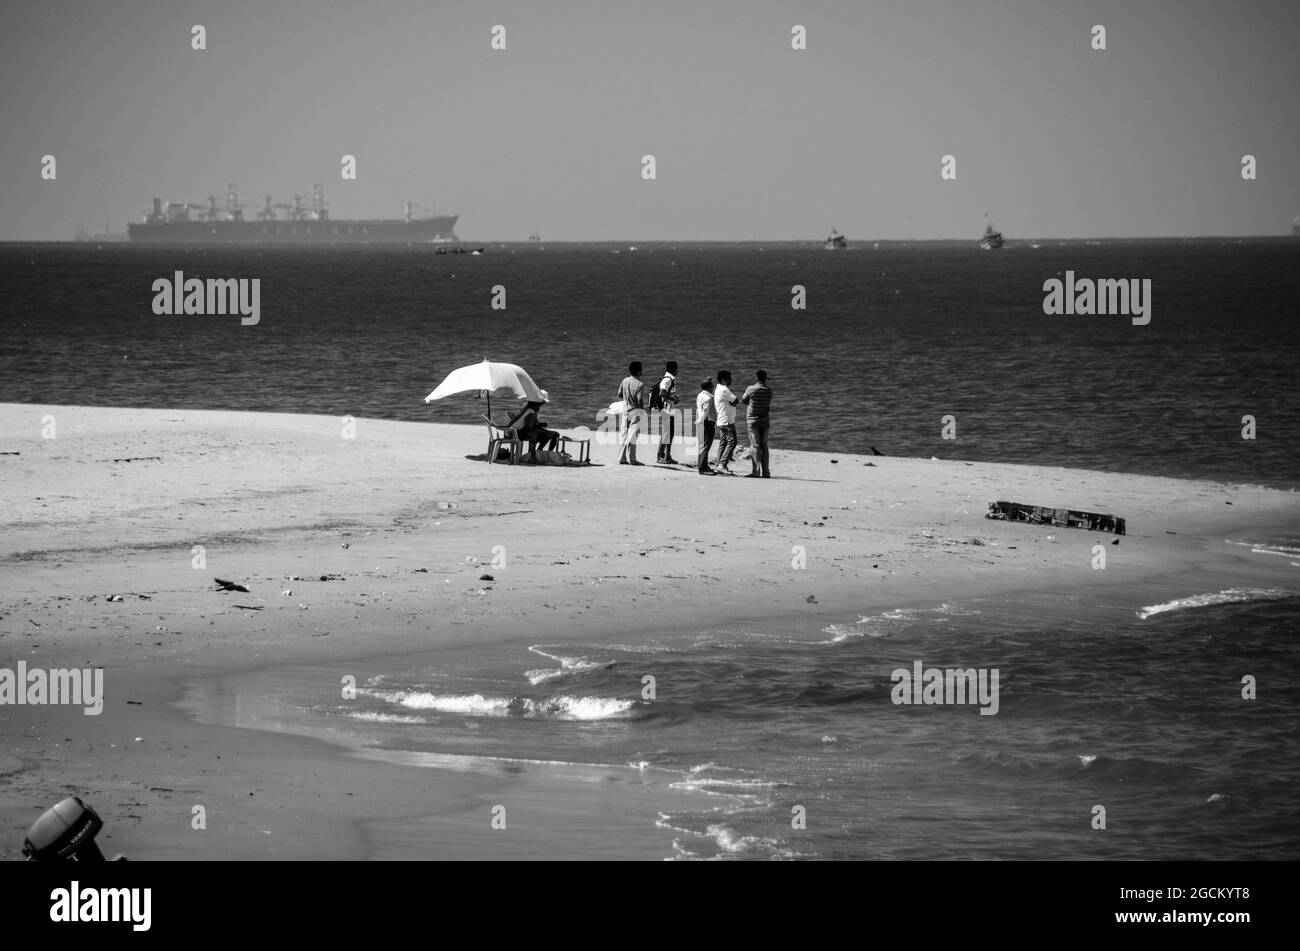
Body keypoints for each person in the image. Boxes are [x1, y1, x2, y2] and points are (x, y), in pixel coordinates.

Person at [504, 390, 559, 464]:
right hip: (514, 433)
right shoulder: (530, 411)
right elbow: (528, 427)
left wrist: (539, 425)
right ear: (538, 403)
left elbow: (528, 423)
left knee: (554, 434)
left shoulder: (527, 406)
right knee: (534, 433)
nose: (541, 406)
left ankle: (541, 453)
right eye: (541, 404)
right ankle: (532, 457)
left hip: (513, 431)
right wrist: (538, 425)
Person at [741, 370, 773, 478]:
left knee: (755, 446)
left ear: (756, 378)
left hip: (753, 421)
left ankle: (756, 472)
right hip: (765, 421)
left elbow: (743, 400)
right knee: (764, 446)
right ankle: (766, 472)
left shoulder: (751, 389)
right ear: (765, 379)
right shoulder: (769, 390)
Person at [616, 362, 646, 465]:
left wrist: (627, 399)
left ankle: (622, 458)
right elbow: (640, 400)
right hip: (635, 412)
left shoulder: (625, 380)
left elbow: (619, 394)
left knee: (624, 435)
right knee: (633, 436)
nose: (642, 371)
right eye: (641, 369)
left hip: (625, 411)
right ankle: (632, 459)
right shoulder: (640, 384)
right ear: (638, 371)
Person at [654, 361, 681, 464]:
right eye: (677, 368)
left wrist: (674, 398)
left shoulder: (670, 379)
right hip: (666, 410)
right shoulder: (667, 380)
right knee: (667, 433)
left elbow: (667, 393)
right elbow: (662, 393)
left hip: (669, 409)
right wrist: (673, 399)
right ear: (674, 369)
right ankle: (660, 456)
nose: (677, 370)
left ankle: (667, 456)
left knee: (670, 433)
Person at [713, 370, 739, 474]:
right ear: (723, 379)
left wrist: (732, 403)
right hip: (727, 421)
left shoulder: (718, 389)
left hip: (722, 420)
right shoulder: (724, 390)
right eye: (729, 377)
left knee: (723, 443)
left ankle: (718, 465)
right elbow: (736, 401)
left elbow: (733, 402)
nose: (731, 380)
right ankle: (722, 465)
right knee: (732, 442)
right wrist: (732, 403)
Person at [695, 378, 716, 475]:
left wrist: (699, 421)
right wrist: (701, 420)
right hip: (707, 422)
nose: (713, 388)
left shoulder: (700, 395)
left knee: (702, 445)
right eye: (712, 386)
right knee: (706, 445)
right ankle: (702, 468)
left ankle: (704, 465)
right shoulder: (709, 398)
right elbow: (705, 411)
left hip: (701, 421)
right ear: (708, 387)